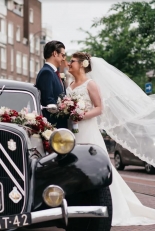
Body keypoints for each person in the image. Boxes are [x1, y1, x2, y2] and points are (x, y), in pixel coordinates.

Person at [66, 51, 155, 226]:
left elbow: (100, 108)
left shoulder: (91, 84)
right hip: (73, 132)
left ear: (82, 65)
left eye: (73, 61)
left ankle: (111, 206)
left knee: (96, 168)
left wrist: (81, 115)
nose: (69, 63)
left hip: (88, 130)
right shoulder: (70, 84)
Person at [35, 40, 67, 128]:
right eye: (63, 55)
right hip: (53, 124)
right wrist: (66, 111)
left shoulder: (53, 72)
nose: (64, 59)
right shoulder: (46, 72)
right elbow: (48, 101)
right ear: (55, 53)